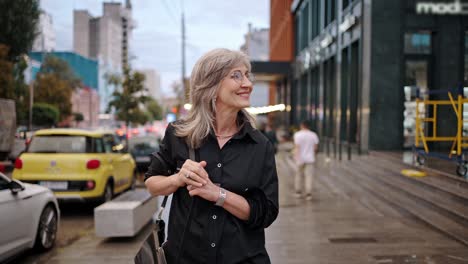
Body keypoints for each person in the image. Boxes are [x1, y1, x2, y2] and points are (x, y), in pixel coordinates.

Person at [145, 48, 279, 264]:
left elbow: (266, 213)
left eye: (247, 75)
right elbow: (152, 184)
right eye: (236, 75)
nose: (247, 83)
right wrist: (178, 179)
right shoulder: (179, 134)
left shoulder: (260, 145)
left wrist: (218, 194)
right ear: (211, 85)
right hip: (185, 258)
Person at [293, 121, 319, 201]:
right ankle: (308, 193)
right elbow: (315, 148)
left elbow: (297, 147)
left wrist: (296, 157)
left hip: (300, 158)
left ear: (302, 125)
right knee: (309, 176)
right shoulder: (313, 135)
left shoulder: (297, 135)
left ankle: (298, 192)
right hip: (310, 158)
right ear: (309, 126)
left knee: (298, 175)